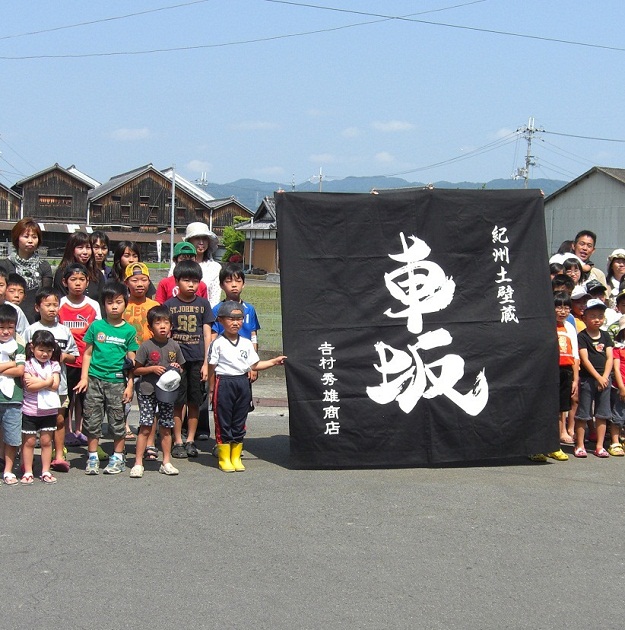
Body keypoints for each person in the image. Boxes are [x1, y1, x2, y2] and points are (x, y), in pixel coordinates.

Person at [208, 301, 286, 472]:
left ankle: (236, 456)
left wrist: (273, 361)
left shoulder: (245, 343)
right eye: (231, 318)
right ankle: (224, 458)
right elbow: (211, 368)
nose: (236, 322)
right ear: (221, 320)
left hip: (242, 383)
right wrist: (212, 388)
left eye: (239, 318)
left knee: (239, 419)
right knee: (223, 420)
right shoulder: (218, 343)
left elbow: (255, 365)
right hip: (224, 383)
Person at [75, 282, 138, 475]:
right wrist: (84, 377)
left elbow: (131, 362)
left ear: (125, 304)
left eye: (118, 302)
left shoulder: (129, 331)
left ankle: (117, 457)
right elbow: (87, 354)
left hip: (117, 382)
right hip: (94, 379)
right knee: (92, 421)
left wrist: (129, 385)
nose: (114, 306)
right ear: (104, 304)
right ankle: (92, 456)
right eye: (110, 302)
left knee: (117, 421)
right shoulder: (96, 326)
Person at [24, 288, 79, 473]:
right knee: (31, 421)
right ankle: (28, 458)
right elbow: (22, 355)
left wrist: (63, 356)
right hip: (33, 387)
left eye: (55, 304)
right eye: (47, 305)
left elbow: (75, 356)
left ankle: (58, 456)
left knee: (59, 419)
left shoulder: (64, 330)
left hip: (59, 384)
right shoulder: (30, 330)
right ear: (37, 307)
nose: (52, 309)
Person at [164, 260, 214, 458]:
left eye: (195, 280)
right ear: (177, 282)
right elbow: (166, 335)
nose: (191, 284)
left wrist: (205, 363)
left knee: (195, 402)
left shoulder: (203, 304)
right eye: (186, 280)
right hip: (177, 363)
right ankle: (177, 440)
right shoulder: (169, 305)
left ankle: (190, 440)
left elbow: (207, 334)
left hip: (197, 360)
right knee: (178, 402)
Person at [130, 305, 186, 478]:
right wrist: (151, 369)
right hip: (148, 391)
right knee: (146, 426)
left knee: (166, 427)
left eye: (166, 322)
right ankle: (138, 462)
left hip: (167, 393)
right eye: (158, 322)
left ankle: (166, 461)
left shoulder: (174, 346)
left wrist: (177, 368)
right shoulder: (146, 346)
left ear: (171, 326)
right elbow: (136, 370)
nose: (162, 326)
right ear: (150, 327)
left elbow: (181, 368)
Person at [57, 263, 102, 447]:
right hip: (65, 361)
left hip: (86, 360)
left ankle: (80, 430)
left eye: (81, 280)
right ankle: (65, 432)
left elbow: (98, 331)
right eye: (73, 279)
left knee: (85, 400)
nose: (77, 284)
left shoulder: (93, 305)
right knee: (66, 399)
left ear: (87, 281)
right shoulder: (59, 303)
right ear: (64, 282)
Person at [122, 262, 159, 442]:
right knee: (124, 398)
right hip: (126, 359)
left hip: (149, 361)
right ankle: (124, 428)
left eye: (143, 280)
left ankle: (149, 441)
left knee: (149, 401)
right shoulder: (121, 304)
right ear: (126, 282)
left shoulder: (155, 305)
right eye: (134, 280)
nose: (139, 284)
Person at [20, 330, 62, 484]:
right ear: (33, 348)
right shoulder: (27, 364)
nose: (45, 354)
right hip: (30, 410)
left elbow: (55, 385)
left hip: (49, 410)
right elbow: (29, 386)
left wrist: (40, 383)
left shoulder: (54, 364)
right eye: (41, 350)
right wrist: (47, 381)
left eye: (49, 351)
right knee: (29, 442)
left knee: (46, 442)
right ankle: (28, 471)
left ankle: (45, 470)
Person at [574, 298, 614, 458]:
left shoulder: (605, 336)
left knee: (602, 414)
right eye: (592, 316)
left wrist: (604, 377)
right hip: (587, 379)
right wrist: (597, 376)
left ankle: (599, 446)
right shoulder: (582, 336)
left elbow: (610, 357)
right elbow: (584, 359)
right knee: (583, 414)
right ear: (584, 317)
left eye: (600, 316)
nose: (597, 319)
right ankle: (580, 445)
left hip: (604, 380)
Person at [0, 218, 53, 323]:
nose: (30, 240)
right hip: (8, 318)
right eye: (26, 236)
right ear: (17, 238)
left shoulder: (44, 266)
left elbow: (45, 294)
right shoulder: (4, 264)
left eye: (34, 237)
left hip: (35, 318)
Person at [0, 304, 26, 486]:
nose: (5, 331)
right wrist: (11, 364)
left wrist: (12, 367)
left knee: (12, 436)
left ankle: (8, 470)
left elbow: (20, 371)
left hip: (13, 398)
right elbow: (15, 367)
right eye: (1, 328)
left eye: (10, 327)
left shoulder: (19, 345)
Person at [53, 232, 104, 302]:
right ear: (71, 250)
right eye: (80, 247)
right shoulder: (62, 273)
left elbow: (102, 301)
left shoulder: (97, 274)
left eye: (88, 247)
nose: (85, 252)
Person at [179, 222, 221, 307]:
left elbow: (214, 299)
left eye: (205, 239)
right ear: (189, 241)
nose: (201, 242)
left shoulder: (215, 268)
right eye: (197, 238)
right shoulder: (177, 265)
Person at [573, 230, 608, 294]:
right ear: (574, 246)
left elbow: (604, 299)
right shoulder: (564, 268)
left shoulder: (598, 274)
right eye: (582, 244)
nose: (585, 248)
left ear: (593, 250)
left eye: (589, 246)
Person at [610, 316, 625, 454]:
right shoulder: (618, 348)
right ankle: (615, 442)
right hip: (620, 387)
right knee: (618, 416)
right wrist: (621, 387)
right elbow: (616, 369)